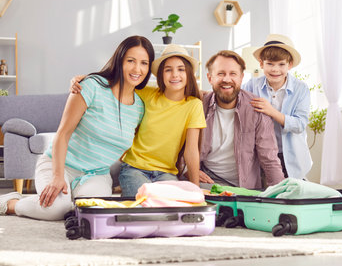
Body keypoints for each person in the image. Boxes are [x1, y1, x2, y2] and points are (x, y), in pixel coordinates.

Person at [0, 35, 154, 220]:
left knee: (92, 213)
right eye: (131, 61)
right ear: (120, 60)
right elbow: (63, 134)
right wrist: (57, 176)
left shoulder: (140, 107)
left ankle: (65, 201)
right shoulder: (91, 86)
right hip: (59, 165)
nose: (137, 69)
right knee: (57, 210)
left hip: (96, 175)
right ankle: (11, 203)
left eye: (144, 63)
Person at [70, 44, 206, 197]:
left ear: (188, 73)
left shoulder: (194, 105)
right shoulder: (147, 94)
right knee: (143, 202)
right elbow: (118, 83)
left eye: (181, 69)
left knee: (168, 202)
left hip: (166, 173)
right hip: (134, 168)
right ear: (161, 74)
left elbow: (191, 150)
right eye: (168, 70)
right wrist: (85, 79)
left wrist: (196, 189)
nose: (175, 75)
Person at [199, 50, 285, 190]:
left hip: (245, 186)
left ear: (241, 78)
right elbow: (183, 148)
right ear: (210, 78)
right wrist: (189, 170)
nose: (227, 79)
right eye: (220, 74)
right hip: (208, 182)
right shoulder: (199, 106)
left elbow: (269, 158)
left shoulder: (257, 109)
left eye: (233, 74)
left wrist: (281, 194)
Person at [242, 34, 312, 179]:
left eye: (281, 64)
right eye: (270, 64)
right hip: (261, 155)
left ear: (289, 65)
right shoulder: (251, 85)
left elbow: (300, 124)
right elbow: (233, 98)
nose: (275, 70)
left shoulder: (301, 89)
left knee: (292, 196)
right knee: (263, 196)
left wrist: (272, 111)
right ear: (261, 64)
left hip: (291, 156)